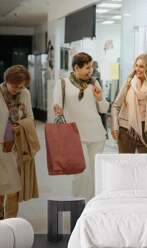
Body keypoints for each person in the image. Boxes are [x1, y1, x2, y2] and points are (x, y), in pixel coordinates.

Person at [53, 52, 109, 200]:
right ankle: (78, 205)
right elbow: (57, 109)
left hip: (96, 135)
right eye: (87, 67)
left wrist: (100, 98)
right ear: (76, 68)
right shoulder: (62, 83)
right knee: (81, 174)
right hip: (74, 135)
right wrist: (58, 113)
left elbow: (103, 109)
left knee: (95, 174)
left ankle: (92, 205)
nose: (90, 70)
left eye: (91, 67)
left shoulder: (94, 83)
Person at [0, 65, 34, 219]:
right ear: (7, 81)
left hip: (16, 146)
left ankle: (10, 220)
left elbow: (30, 117)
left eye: (22, 86)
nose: (18, 89)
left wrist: (23, 122)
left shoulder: (25, 94)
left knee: (14, 186)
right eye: (15, 86)